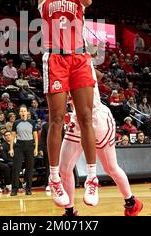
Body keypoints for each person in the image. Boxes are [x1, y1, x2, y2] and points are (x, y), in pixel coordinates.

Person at [25, 0, 97, 207]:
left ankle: (92, 178)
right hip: (55, 58)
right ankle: (54, 178)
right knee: (56, 119)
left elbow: (88, 0)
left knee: (85, 118)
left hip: (80, 58)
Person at [59, 70, 142, 216]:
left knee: (110, 167)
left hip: (98, 119)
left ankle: (132, 202)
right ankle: (70, 211)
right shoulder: (59, 64)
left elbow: (98, 75)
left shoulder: (81, 59)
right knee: (64, 168)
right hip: (77, 120)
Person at [9, 105, 38, 196]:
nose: (23, 113)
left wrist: (36, 148)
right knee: (16, 168)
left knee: (29, 168)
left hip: (29, 145)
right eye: (21, 111)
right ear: (19, 113)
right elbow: (12, 136)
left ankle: (28, 189)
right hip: (19, 145)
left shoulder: (32, 122)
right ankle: (14, 189)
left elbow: (35, 136)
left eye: (24, 111)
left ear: (27, 112)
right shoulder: (16, 123)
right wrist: (11, 148)